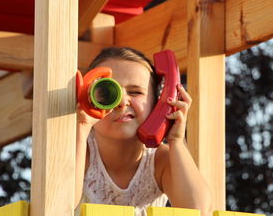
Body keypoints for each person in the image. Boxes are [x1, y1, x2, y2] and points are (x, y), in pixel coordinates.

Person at [75, 47, 212, 216]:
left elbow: (197, 211)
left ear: (159, 103)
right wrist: (81, 128)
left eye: (135, 92)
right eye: (108, 92)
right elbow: (58, 202)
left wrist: (176, 140)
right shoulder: (82, 154)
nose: (122, 102)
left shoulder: (160, 161)